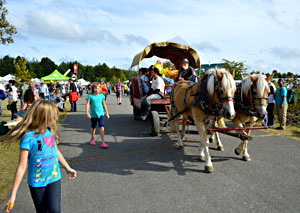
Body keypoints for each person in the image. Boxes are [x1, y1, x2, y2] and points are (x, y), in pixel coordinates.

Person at [4, 100, 77, 213]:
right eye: (54, 116)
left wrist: (68, 168)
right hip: (37, 182)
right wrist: (13, 195)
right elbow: (22, 167)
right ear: (44, 117)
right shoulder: (28, 138)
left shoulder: (49, 131)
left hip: (54, 178)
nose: (56, 119)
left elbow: (56, 151)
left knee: (54, 210)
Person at [86, 83, 110, 148]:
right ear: (93, 89)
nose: (97, 89)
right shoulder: (90, 96)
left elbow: (104, 104)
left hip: (101, 114)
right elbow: (87, 104)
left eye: (98, 88)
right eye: (95, 88)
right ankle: (92, 138)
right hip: (93, 114)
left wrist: (107, 113)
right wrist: (87, 112)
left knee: (101, 127)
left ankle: (103, 142)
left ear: (100, 89)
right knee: (93, 127)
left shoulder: (102, 95)